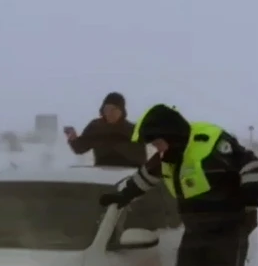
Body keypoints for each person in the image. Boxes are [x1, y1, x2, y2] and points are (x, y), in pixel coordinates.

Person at [97, 103, 258, 266]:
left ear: (171, 135)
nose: (157, 149)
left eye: (158, 143)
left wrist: (251, 198)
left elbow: (250, 162)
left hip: (230, 226)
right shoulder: (166, 156)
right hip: (196, 228)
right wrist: (123, 196)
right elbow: (144, 178)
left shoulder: (212, 144)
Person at [65, 92, 180, 229]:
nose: (110, 113)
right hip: (103, 177)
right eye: (107, 109)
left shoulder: (132, 130)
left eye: (114, 109)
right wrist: (72, 138)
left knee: (129, 212)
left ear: (122, 111)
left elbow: (156, 141)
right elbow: (80, 148)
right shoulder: (96, 127)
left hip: (131, 177)